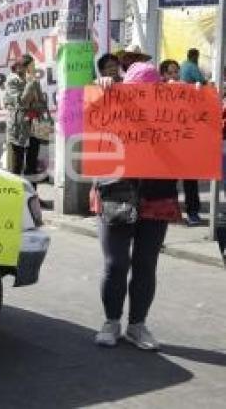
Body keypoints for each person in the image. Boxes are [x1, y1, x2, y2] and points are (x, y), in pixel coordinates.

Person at [94, 61, 179, 351]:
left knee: (145, 264)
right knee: (115, 263)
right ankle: (111, 321)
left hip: (157, 195)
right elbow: (76, 122)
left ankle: (137, 325)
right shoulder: (108, 103)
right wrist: (100, 89)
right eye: (135, 92)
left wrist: (193, 98)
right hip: (116, 191)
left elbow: (200, 133)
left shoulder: (172, 114)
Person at [3, 55, 44, 175]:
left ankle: (31, 192)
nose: (34, 69)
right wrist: (30, 85)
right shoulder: (12, 81)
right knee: (16, 165)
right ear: (23, 68)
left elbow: (41, 102)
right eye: (32, 66)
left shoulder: (34, 81)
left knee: (32, 164)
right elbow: (21, 103)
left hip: (34, 126)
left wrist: (37, 106)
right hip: (18, 128)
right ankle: (15, 193)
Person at [178, 49, 204, 227]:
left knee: (190, 180)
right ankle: (188, 212)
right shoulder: (192, 67)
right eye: (169, 72)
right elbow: (202, 81)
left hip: (187, 141)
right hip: (172, 145)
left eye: (175, 72)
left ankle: (192, 212)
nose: (174, 75)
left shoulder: (185, 66)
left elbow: (202, 85)